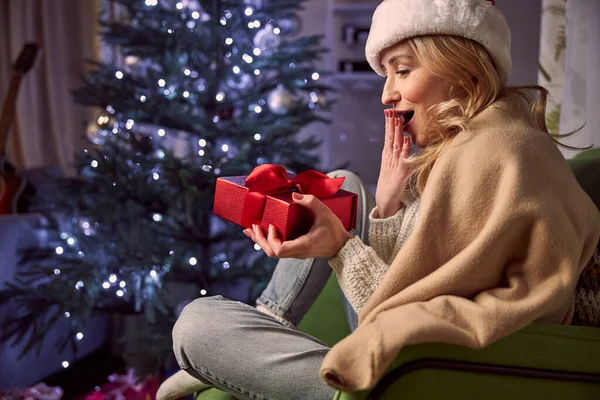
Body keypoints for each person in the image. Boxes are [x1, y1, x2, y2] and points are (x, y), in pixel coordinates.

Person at [157, 0, 600, 399]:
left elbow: (407, 315)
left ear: (461, 67)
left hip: (417, 374)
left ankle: (311, 377)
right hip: (415, 345)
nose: (387, 93)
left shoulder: (492, 154)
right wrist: (387, 206)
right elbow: (416, 285)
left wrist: (340, 248)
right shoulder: (480, 139)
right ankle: (268, 325)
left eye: (403, 70)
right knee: (343, 183)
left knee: (197, 323)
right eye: (387, 74)